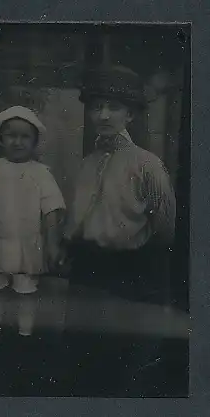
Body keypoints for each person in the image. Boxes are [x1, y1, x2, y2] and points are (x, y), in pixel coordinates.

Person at [61, 67, 177, 396]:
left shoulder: (147, 164)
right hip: (87, 272)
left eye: (113, 107)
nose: (104, 114)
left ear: (131, 114)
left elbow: (165, 229)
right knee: (83, 360)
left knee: (123, 363)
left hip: (129, 273)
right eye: (97, 106)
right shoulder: (86, 164)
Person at [0, 106, 66, 336]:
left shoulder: (41, 173)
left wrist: (51, 245)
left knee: (26, 295)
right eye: (12, 135)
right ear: (1, 138)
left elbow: (52, 209)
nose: (18, 142)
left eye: (25, 137)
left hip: (28, 246)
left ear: (34, 141)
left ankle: (25, 336)